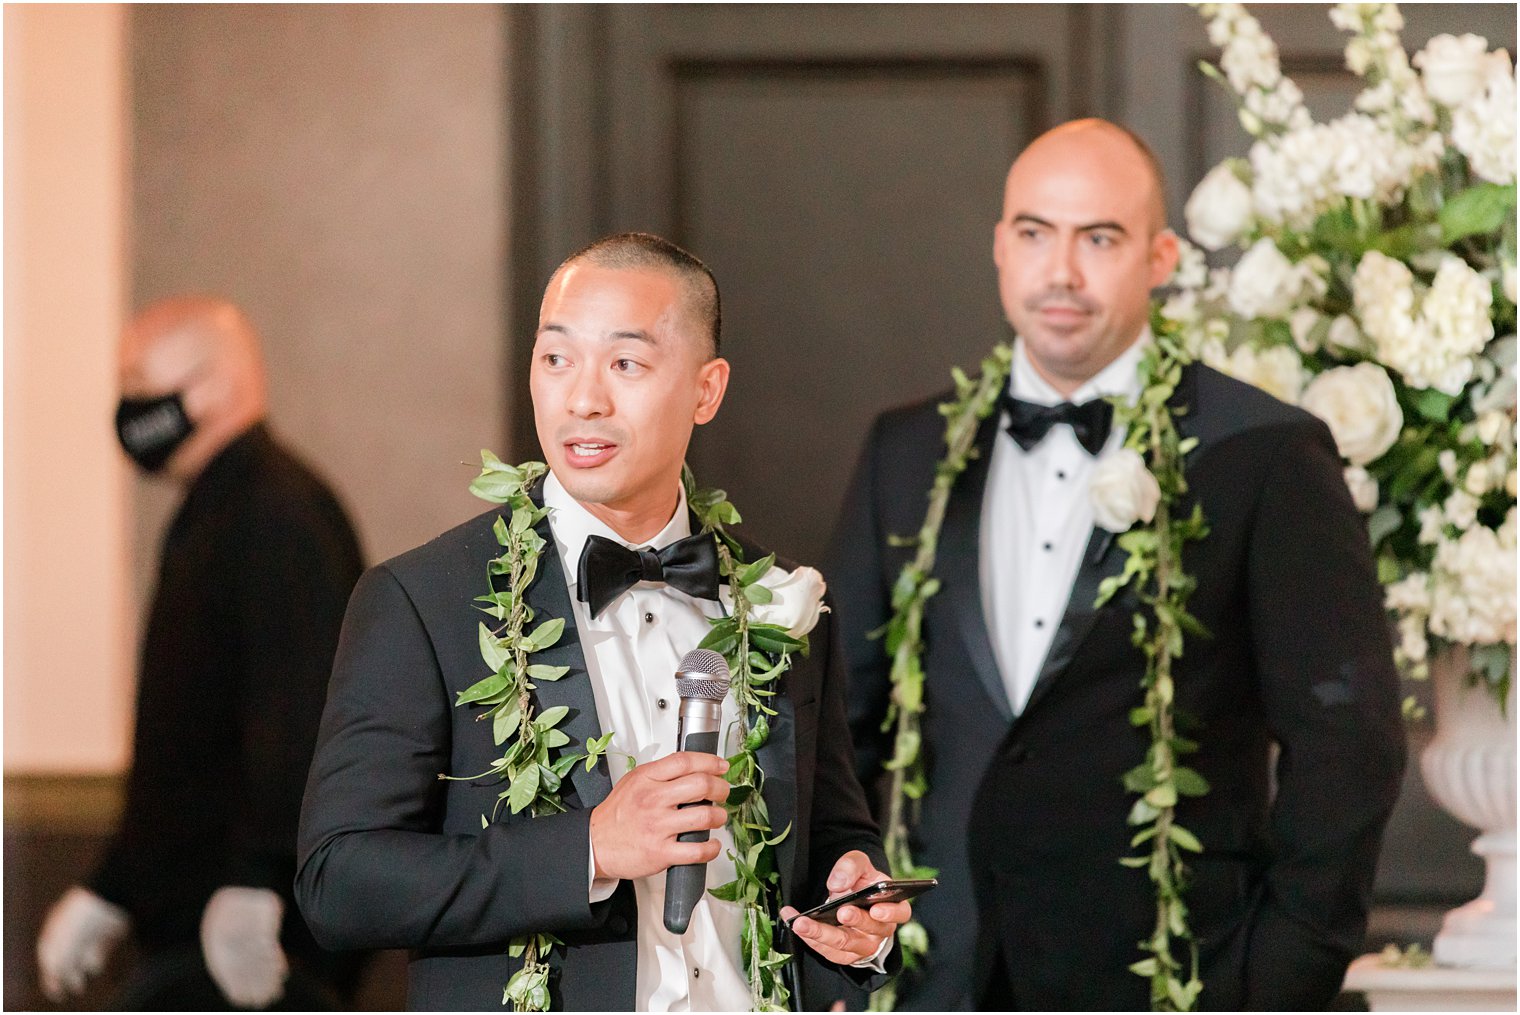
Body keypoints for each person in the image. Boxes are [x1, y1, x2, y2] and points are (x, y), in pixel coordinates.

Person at [828, 120, 1406, 1010]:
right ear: (998, 246)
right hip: (936, 979)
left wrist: (1278, 978)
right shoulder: (907, 453)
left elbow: (1349, 744)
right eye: (1034, 233)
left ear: (1161, 255)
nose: (1061, 271)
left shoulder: (1267, 453)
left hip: (1177, 981)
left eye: (1099, 238)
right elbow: (842, 727)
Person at [296, 232, 909, 1011]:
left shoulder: (779, 600)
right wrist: (588, 848)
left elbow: (830, 834)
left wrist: (855, 905)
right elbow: (338, 882)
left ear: (706, 389)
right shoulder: (424, 602)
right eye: (556, 359)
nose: (582, 398)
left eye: (626, 363)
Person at [35, 297, 367, 1010]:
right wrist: (113, 884)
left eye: (140, 381)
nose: (127, 404)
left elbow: (304, 717)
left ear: (216, 386)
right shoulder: (214, 510)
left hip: (255, 941)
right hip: (190, 925)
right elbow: (183, 738)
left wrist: (257, 881)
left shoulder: (279, 516)